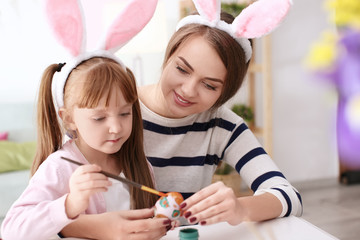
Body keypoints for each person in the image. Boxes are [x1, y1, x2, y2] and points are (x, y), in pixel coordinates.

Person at [54, 0, 303, 237]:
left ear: (226, 91)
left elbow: (288, 196)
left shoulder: (222, 127)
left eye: (209, 85)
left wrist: (240, 208)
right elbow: (45, 213)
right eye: (182, 69)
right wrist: (98, 229)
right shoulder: (116, 113)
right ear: (168, 55)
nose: (188, 90)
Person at [1, 0, 173, 239]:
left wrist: (163, 219)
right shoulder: (61, 167)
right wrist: (70, 204)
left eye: (125, 113)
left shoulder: (139, 164)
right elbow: (11, 230)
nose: (116, 127)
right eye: (99, 117)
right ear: (69, 118)